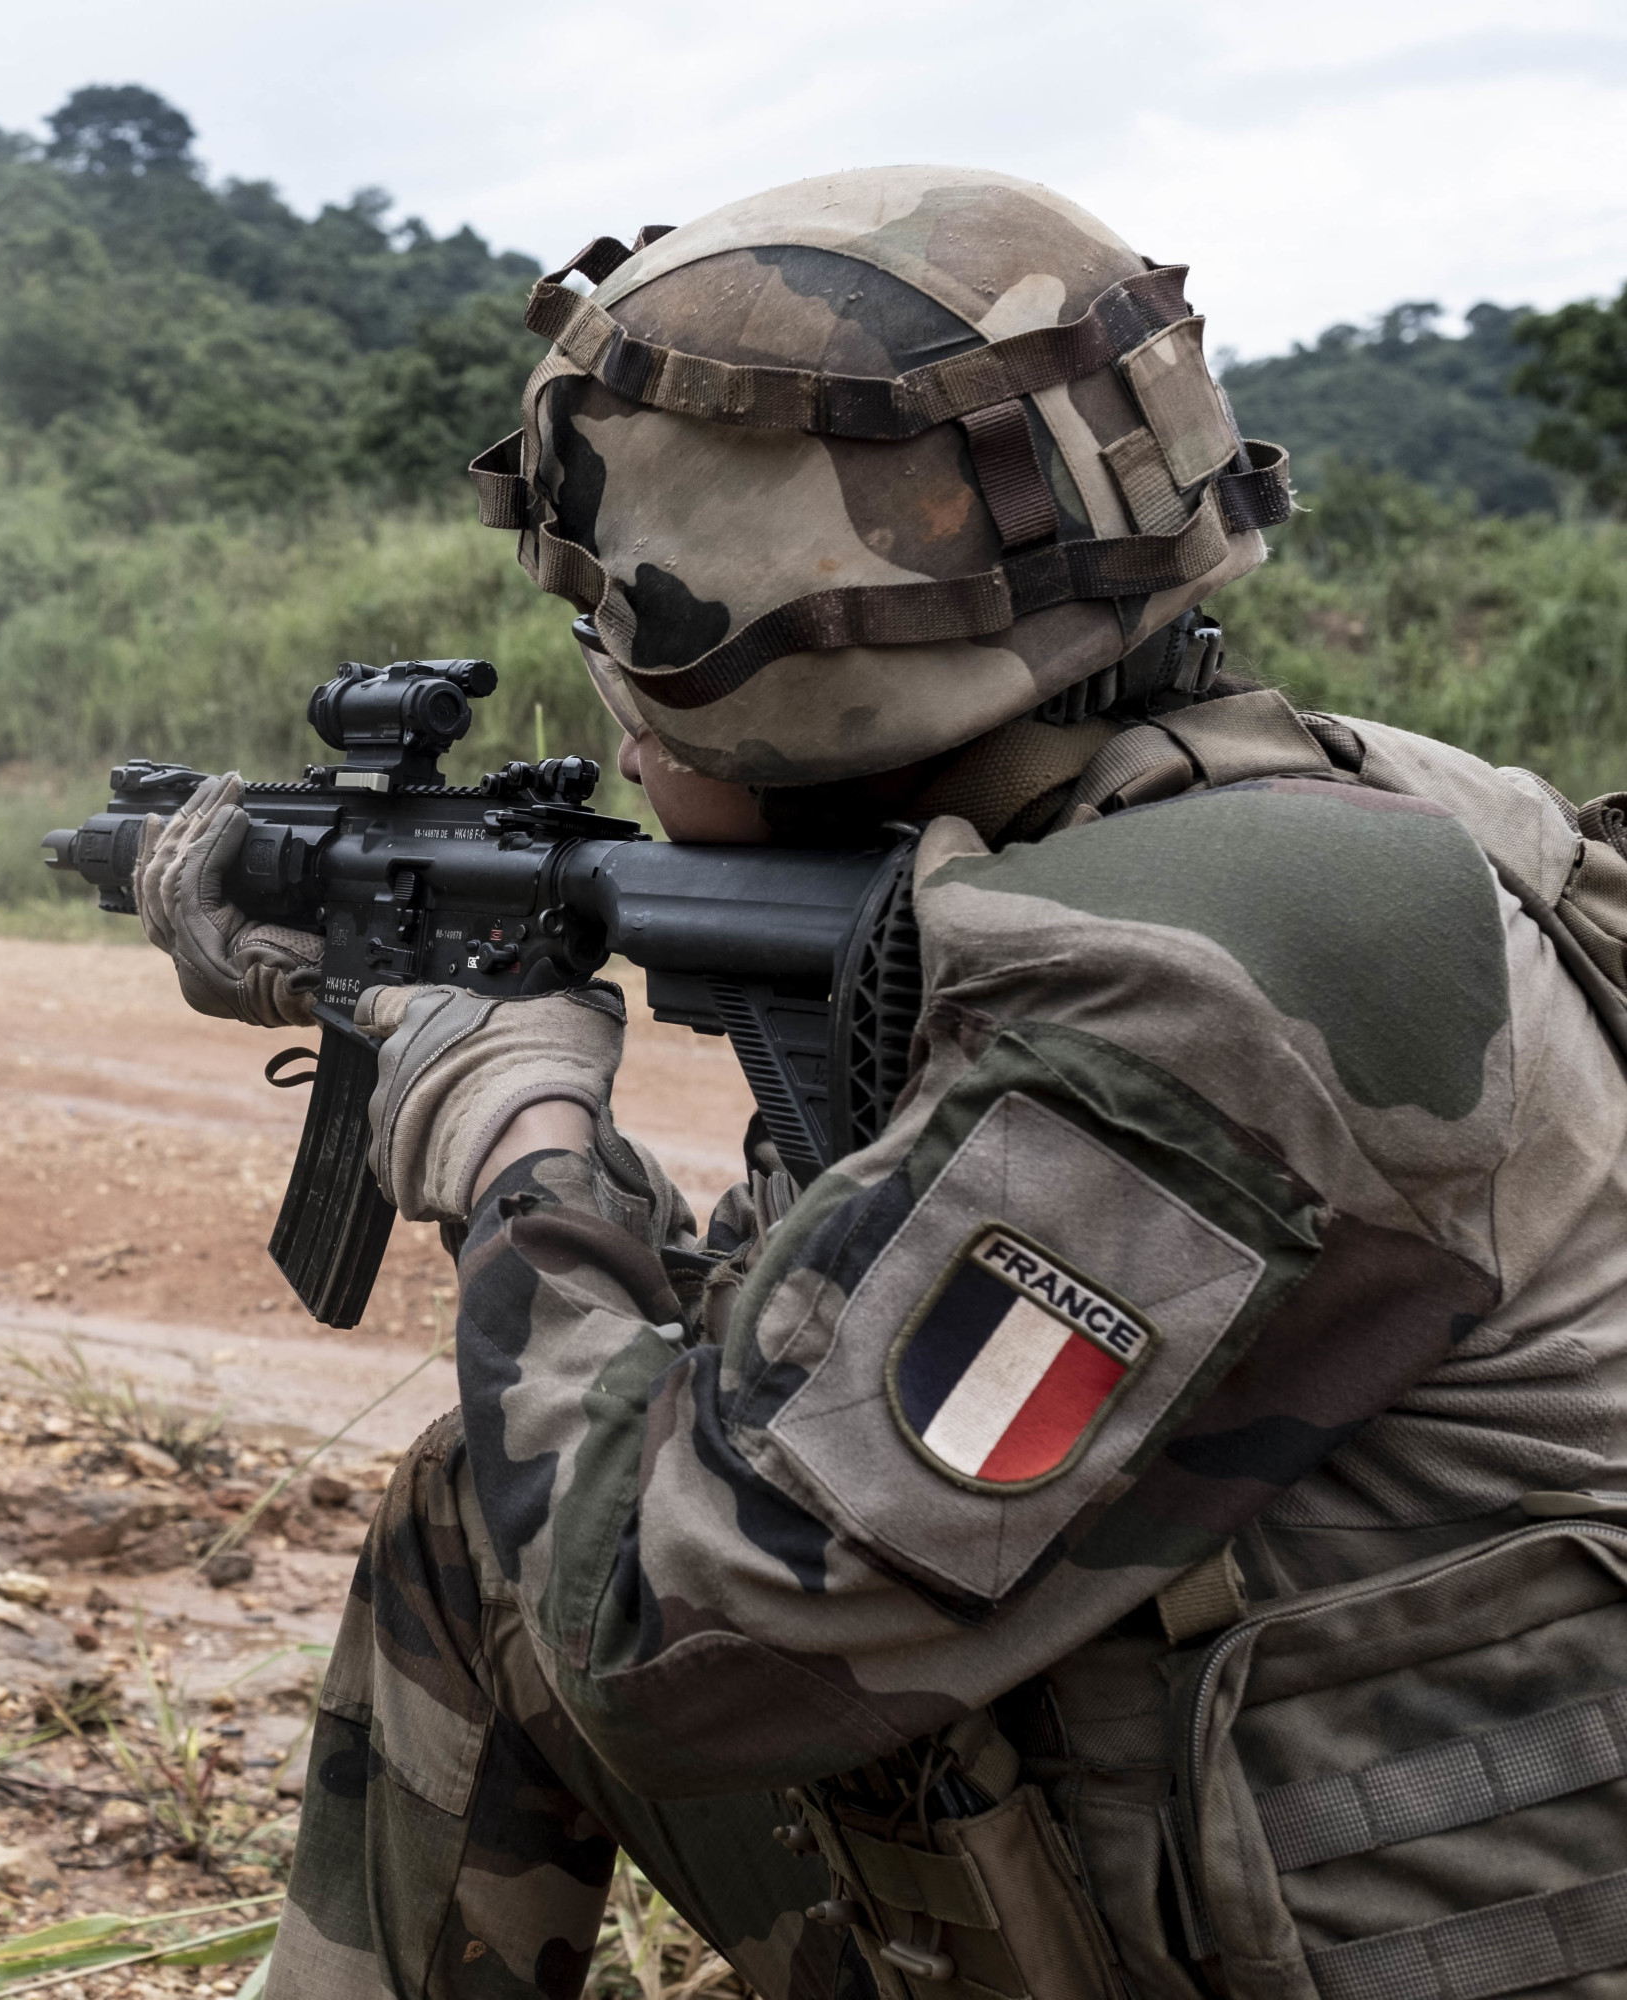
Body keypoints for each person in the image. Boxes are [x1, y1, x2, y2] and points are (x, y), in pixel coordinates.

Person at [133, 168, 1627, 2000]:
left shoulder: (1194, 991)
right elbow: (821, 1371)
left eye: (618, 629)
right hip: (1280, 1830)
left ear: (726, 662)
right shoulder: (1316, 817)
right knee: (478, 1509)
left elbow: (680, 1641)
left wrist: (507, 1122)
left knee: (528, 1547)